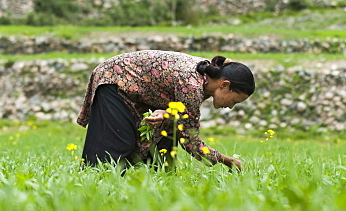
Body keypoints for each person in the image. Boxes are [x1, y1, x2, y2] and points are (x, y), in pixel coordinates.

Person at [77, 50, 254, 170]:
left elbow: (177, 113)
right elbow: (189, 140)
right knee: (119, 141)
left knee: (167, 134)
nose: (230, 107)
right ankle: (93, 179)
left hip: (141, 88)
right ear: (225, 85)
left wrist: (165, 113)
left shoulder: (205, 81)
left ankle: (155, 179)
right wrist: (227, 161)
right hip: (115, 79)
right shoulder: (192, 85)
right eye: (234, 101)